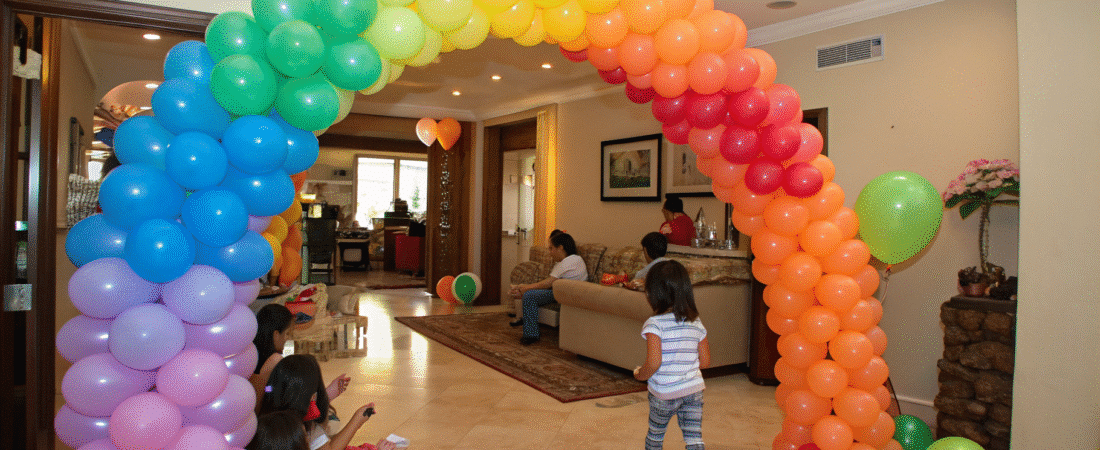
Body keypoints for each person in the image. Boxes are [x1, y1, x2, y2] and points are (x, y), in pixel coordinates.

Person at [633, 260, 711, 450]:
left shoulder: (654, 324)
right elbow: (706, 362)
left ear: (652, 294)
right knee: (694, 438)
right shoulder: (696, 322)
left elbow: (654, 362)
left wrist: (639, 374)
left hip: (664, 394)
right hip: (693, 390)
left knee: (655, 436)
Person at [259, 354, 395, 450]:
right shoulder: (306, 430)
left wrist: (326, 395)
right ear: (312, 397)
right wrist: (357, 421)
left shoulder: (263, 419)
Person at [252, 304, 351, 412]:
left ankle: (323, 399)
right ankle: (323, 399)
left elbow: (268, 390)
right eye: (287, 334)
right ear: (276, 334)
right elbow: (263, 394)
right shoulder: (273, 360)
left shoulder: (252, 352)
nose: (288, 339)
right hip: (270, 418)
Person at [508, 230, 586, 345]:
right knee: (530, 292)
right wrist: (523, 287)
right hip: (562, 291)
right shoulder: (571, 260)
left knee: (530, 295)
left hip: (568, 294)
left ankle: (531, 334)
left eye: (551, 248)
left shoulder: (568, 261)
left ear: (560, 248)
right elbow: (549, 283)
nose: (549, 252)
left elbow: (547, 283)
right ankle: (526, 320)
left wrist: (526, 288)